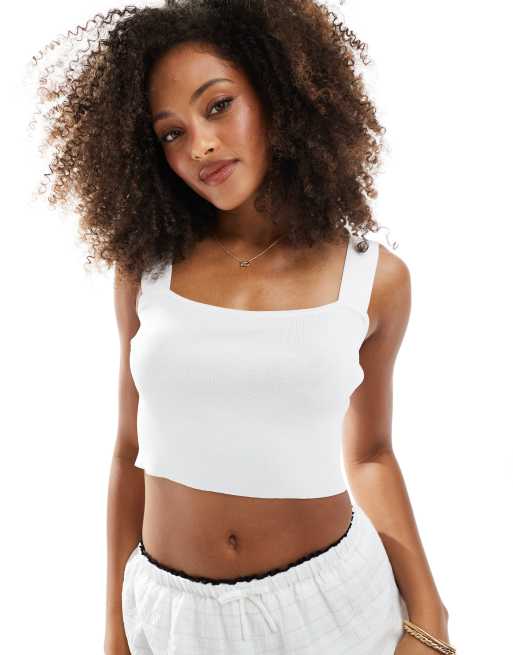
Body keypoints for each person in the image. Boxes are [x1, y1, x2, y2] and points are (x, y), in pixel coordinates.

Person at [30, 1, 455, 653]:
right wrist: (115, 632)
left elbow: (370, 454)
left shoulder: (374, 280)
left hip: (331, 610)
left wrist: (429, 613)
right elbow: (127, 452)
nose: (199, 145)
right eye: (170, 133)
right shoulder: (145, 269)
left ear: (276, 94)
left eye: (218, 105)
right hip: (172, 618)